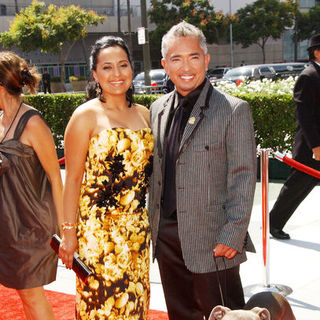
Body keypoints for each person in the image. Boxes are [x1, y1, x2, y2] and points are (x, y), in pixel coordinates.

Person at [148, 21, 257, 320]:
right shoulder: (156, 109)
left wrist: (233, 234)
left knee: (225, 314)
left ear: (206, 60)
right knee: (180, 313)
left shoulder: (233, 110)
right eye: (176, 58)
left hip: (214, 240)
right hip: (166, 237)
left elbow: (244, 177)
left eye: (193, 57)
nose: (186, 66)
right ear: (165, 64)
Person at [59, 36, 153, 320]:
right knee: (99, 307)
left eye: (123, 65)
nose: (117, 74)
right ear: (95, 74)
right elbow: (72, 180)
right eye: (107, 67)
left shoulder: (146, 115)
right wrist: (68, 233)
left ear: (132, 69)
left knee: (135, 306)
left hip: (137, 232)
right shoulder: (85, 116)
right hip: (97, 236)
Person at [0, 52, 63, 319]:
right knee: (24, 296)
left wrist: (66, 230)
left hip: (32, 226)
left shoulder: (33, 123)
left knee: (32, 296)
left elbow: (54, 177)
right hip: (9, 225)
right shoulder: (1, 121)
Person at [269, 34, 320, 240]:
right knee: (296, 187)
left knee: (302, 186)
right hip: (311, 147)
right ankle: (273, 223)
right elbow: (304, 116)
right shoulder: (308, 76)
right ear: (316, 52)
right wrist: (316, 146)